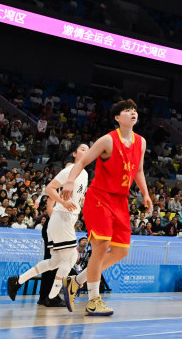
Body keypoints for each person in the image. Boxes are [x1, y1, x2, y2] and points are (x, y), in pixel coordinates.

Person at [61, 100, 151, 317]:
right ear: (117, 118)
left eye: (134, 110)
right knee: (101, 246)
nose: (133, 113)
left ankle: (76, 281)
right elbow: (82, 162)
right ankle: (93, 300)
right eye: (127, 110)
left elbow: (138, 171)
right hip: (99, 197)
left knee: (121, 251)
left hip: (120, 200)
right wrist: (70, 181)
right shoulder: (108, 140)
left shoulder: (141, 142)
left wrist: (146, 193)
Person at [7, 143, 89, 309]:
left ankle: (18, 280)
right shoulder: (69, 170)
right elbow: (49, 188)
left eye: (89, 150)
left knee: (54, 262)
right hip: (62, 217)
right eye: (82, 149)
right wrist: (62, 203)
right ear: (74, 154)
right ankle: (53, 295)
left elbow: (78, 197)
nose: (86, 151)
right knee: (71, 257)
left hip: (67, 219)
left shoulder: (85, 174)